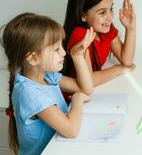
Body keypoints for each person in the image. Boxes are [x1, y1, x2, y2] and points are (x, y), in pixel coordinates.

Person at [0, 13, 95, 155]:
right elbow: (71, 130)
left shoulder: (47, 76)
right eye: (56, 49)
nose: (63, 53)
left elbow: (86, 88)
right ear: (33, 58)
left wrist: (77, 55)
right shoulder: (30, 94)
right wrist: (77, 100)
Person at [63, 0, 136, 91]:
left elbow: (126, 60)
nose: (110, 17)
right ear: (83, 15)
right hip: (74, 98)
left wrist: (130, 28)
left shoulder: (104, 29)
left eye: (111, 8)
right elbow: (89, 80)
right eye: (102, 12)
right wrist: (119, 69)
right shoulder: (80, 36)